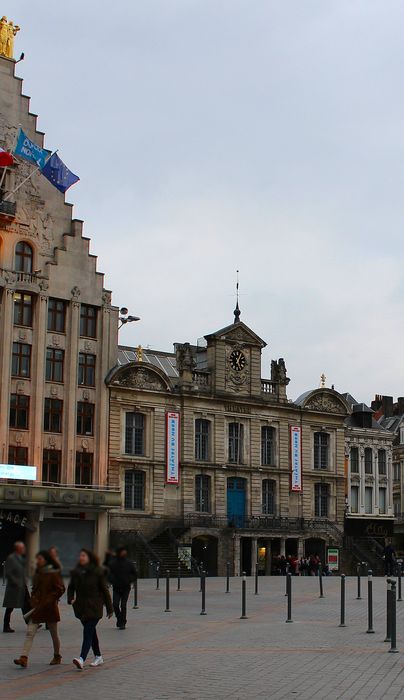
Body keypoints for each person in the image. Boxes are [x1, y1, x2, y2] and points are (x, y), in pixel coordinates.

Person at [13, 550, 65, 668]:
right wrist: (33, 600)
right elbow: (34, 589)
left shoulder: (53, 573)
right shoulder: (37, 573)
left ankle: (57, 656)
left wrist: (49, 600)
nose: (38, 561)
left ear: (46, 560)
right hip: (37, 608)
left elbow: (60, 589)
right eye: (37, 559)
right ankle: (24, 658)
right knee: (30, 632)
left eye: (40, 558)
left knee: (54, 634)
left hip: (50, 608)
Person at [68, 549, 113, 670]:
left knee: (87, 632)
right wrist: (71, 599)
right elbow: (71, 587)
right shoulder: (76, 572)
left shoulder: (98, 572)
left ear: (89, 558)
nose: (81, 558)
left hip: (94, 607)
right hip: (81, 608)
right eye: (80, 555)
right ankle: (98, 656)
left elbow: (105, 590)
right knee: (91, 632)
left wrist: (110, 608)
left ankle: (81, 659)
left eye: (83, 555)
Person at [3, 541, 30, 633]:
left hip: (22, 586)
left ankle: (31, 622)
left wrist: (24, 578)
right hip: (14, 588)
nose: (24, 549)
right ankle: (6, 626)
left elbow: (21, 570)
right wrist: (17, 582)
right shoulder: (11, 558)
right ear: (18, 549)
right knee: (10, 607)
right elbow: (9, 573)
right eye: (22, 548)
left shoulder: (20, 557)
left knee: (26, 604)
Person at [108, 547, 137, 629]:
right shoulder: (113, 563)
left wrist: (129, 580)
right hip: (116, 587)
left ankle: (123, 622)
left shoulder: (129, 563)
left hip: (126, 587)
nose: (124, 553)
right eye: (122, 551)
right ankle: (119, 619)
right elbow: (109, 574)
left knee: (123, 605)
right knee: (115, 604)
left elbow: (134, 574)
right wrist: (113, 581)